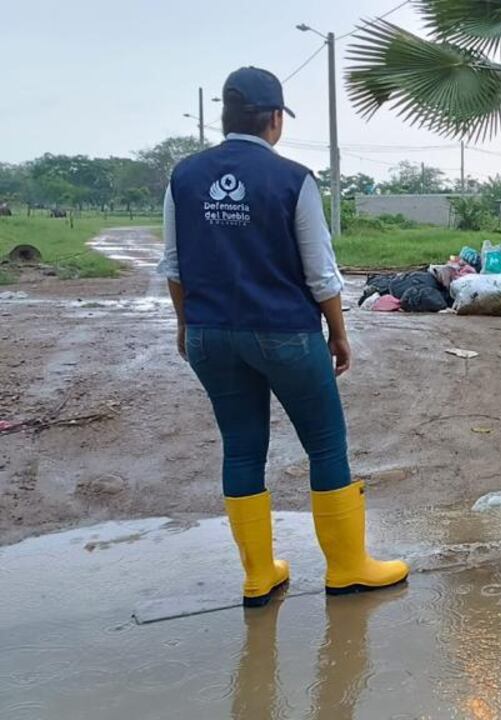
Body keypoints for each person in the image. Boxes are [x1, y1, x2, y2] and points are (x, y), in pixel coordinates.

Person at [159, 67, 407, 607]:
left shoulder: (184, 177)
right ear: (275, 119)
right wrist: (338, 333)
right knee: (325, 443)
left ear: (226, 117)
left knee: (241, 448)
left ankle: (259, 576)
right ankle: (347, 568)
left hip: (210, 334)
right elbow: (321, 273)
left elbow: (174, 267)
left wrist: (185, 325)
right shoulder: (293, 179)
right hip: (285, 333)